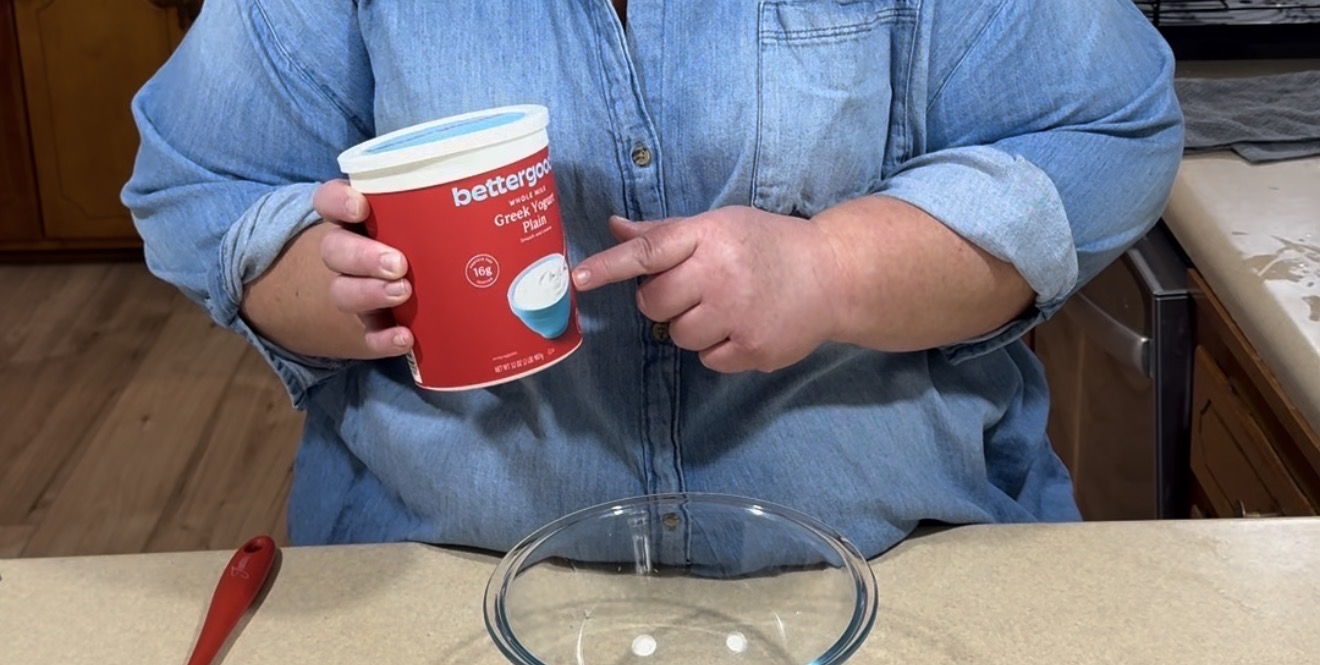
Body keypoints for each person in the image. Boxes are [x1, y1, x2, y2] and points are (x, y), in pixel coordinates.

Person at [123, 0, 1184, 558]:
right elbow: (195, 182)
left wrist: (832, 267)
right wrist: (326, 282)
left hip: (899, 569)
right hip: (439, 584)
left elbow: (1106, 131)